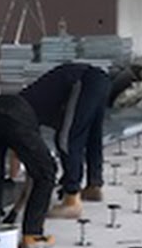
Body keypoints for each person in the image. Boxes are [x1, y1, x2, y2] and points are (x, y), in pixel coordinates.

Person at [21, 62, 112, 220]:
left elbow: (20, 149)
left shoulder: (19, 110)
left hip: (83, 81)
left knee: (66, 139)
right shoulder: (27, 100)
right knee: (92, 135)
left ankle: (72, 200)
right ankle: (94, 185)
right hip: (99, 79)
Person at [0, 92, 57, 248]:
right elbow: (32, 177)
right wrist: (16, 212)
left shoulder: (29, 104)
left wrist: (13, 213)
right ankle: (32, 235)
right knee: (46, 173)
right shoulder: (31, 122)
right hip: (14, 118)